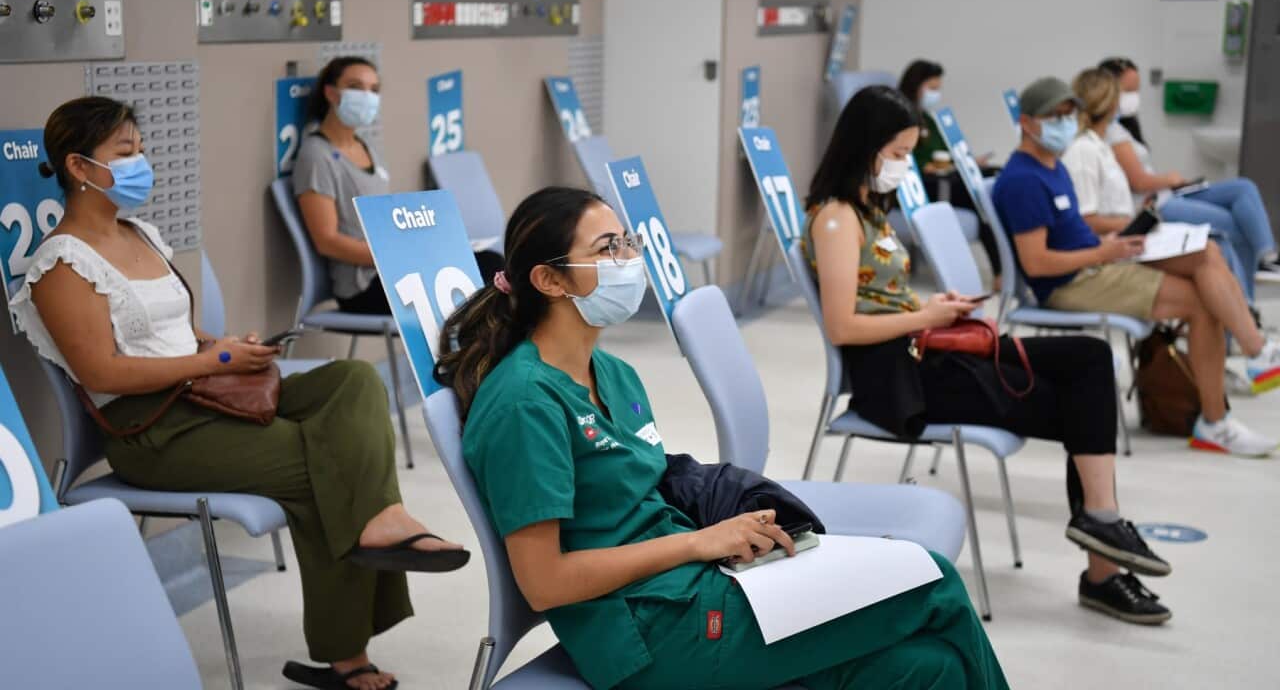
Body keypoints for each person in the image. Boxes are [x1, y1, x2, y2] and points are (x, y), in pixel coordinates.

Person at [437, 186, 1009, 689]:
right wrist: (699, 542)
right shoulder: (523, 404)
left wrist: (720, 540)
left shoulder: (613, 373)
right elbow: (544, 583)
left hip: (701, 588)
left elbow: (649, 493)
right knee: (933, 582)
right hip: (649, 635)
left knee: (932, 667)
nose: (629, 259)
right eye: (607, 249)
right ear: (548, 280)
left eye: (628, 242)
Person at [12, 96, 470, 690]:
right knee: (322, 467)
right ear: (79, 168)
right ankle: (347, 649)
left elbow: (176, 331)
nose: (139, 163)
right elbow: (103, 374)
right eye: (124, 154)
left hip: (208, 392)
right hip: (153, 429)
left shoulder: (141, 235)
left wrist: (225, 347)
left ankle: (381, 519)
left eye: (140, 150)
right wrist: (212, 359)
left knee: (353, 383)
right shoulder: (62, 264)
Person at [805, 84, 1173, 625]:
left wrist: (933, 306)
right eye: (901, 154)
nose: (907, 168)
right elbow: (844, 324)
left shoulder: (868, 208)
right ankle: (1103, 562)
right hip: (898, 376)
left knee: (1089, 358)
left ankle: (1100, 524)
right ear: (865, 147)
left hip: (925, 347)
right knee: (1082, 401)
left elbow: (878, 296)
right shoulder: (836, 218)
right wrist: (925, 317)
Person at [993, 77, 1280, 457]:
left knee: (1206, 251)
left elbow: (1075, 232)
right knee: (1200, 300)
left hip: (1097, 260)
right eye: (1054, 116)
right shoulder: (1022, 180)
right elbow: (1038, 263)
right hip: (1071, 282)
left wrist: (1110, 245)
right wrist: (1102, 254)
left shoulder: (1051, 166)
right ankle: (1228, 400)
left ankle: (1246, 370)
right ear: (1027, 123)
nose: (1065, 122)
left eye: (1069, 113)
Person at [293, 56, 503, 314]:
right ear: (331, 93)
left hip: (398, 269)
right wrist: (393, 257)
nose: (366, 96)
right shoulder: (316, 155)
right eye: (356, 87)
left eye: (374, 89)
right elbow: (327, 240)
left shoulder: (366, 147)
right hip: (364, 286)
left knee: (492, 264)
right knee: (484, 278)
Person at [1098, 56, 1280, 299]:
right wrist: (1170, 179)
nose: (1134, 97)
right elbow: (1139, 182)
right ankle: (1246, 302)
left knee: (1243, 188)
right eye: (1128, 90)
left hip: (1167, 194)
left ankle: (1267, 258)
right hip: (1156, 204)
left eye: (1136, 90)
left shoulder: (1124, 127)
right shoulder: (1111, 133)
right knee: (1233, 225)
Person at [898, 59, 1003, 286]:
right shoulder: (901, 118)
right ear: (915, 85)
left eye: (938, 89)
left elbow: (945, 154)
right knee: (980, 202)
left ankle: (1003, 270)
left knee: (993, 182)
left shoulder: (929, 119)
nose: (936, 94)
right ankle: (999, 273)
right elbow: (911, 161)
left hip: (946, 179)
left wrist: (966, 162)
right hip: (927, 186)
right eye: (932, 88)